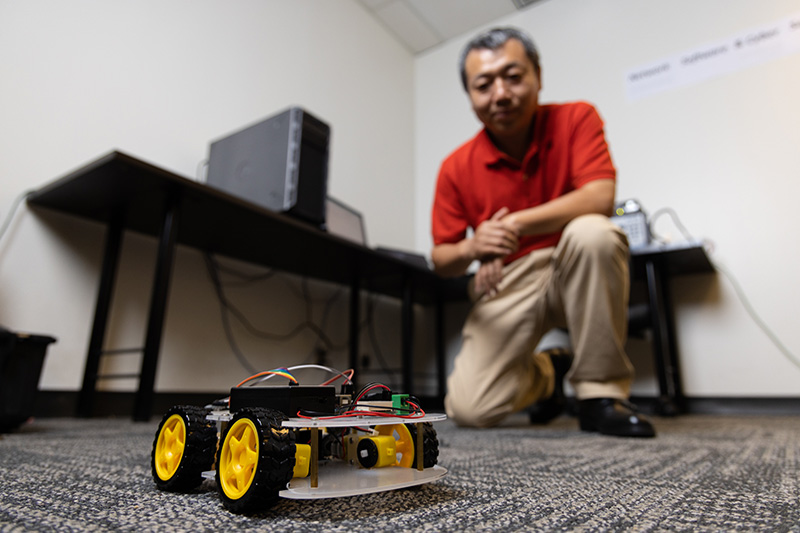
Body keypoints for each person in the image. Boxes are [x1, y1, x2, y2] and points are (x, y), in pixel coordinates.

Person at [430, 27, 655, 438]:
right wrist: (473, 247)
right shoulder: (454, 167)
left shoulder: (576, 117)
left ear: (538, 76)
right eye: (484, 84)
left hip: (576, 262)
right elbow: (441, 258)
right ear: (471, 97)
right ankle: (550, 372)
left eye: (513, 76)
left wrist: (514, 223)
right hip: (509, 279)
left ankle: (599, 395)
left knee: (594, 233)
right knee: (470, 408)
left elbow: (600, 197)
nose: (500, 93)